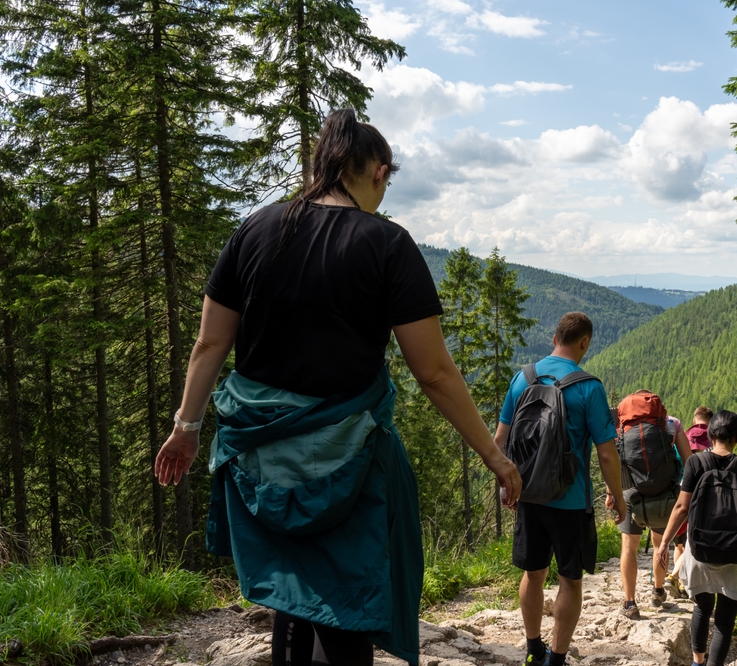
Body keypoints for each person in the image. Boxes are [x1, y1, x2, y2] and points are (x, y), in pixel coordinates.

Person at [153, 109, 521, 666]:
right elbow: (435, 372)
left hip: (261, 460)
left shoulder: (254, 230)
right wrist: (494, 455)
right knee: (348, 600)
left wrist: (186, 428)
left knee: (291, 599)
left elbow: (210, 346)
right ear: (378, 171)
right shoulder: (388, 244)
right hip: (347, 458)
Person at [493, 312, 626, 666]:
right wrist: (619, 498)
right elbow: (607, 455)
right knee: (570, 581)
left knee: (532, 574)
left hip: (528, 495)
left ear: (555, 337)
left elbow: (499, 441)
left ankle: (533, 647)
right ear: (584, 342)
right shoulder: (589, 387)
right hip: (570, 501)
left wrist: (507, 485)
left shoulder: (522, 379)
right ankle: (557, 658)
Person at [653, 410, 737, 666]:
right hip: (734, 551)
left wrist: (664, 543)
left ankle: (697, 662)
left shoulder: (695, 464)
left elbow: (681, 509)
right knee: (725, 619)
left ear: (710, 434)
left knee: (702, 608)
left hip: (699, 550)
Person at [610, 406, 692, 619]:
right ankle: (657, 590)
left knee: (629, 548)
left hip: (631, 493)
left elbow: (613, 460)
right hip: (663, 494)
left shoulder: (622, 426)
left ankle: (630, 602)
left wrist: (611, 492)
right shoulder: (671, 423)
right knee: (660, 544)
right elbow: (689, 461)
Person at [665, 407, 714, 595]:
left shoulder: (683, 436)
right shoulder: (714, 438)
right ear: (711, 419)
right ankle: (676, 577)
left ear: (694, 419)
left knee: (681, 541)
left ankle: (679, 584)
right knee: (695, 541)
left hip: (680, 491)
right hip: (705, 494)